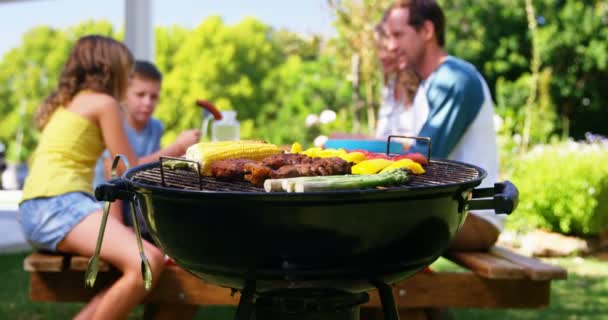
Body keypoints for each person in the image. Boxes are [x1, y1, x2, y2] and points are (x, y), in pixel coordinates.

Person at [18, 35, 166, 320]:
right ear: (111, 70)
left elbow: (115, 169)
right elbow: (128, 170)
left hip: (36, 208)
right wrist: (175, 153)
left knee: (126, 271)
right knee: (148, 262)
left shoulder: (69, 103)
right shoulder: (104, 103)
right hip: (60, 205)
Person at [382, 0, 505, 251]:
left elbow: (419, 161)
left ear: (427, 31)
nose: (391, 46)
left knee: (371, 223)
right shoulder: (429, 85)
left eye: (398, 35)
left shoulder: (456, 80)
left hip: (474, 214)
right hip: (447, 209)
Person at [93, 60, 200, 230]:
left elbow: (152, 172)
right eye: (140, 94)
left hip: (140, 209)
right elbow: (114, 173)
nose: (148, 102)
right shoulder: (115, 124)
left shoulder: (155, 127)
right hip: (109, 212)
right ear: (124, 94)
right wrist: (177, 147)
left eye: (154, 96)